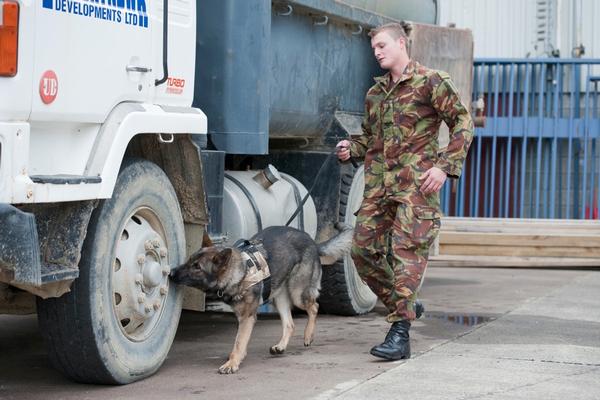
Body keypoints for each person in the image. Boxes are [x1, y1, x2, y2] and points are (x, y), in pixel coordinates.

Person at [336, 22, 473, 361]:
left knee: (405, 253)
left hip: (417, 187)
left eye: (382, 45)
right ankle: (406, 304)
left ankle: (400, 334)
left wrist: (444, 166)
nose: (377, 52)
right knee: (362, 251)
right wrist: (350, 148)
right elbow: (370, 138)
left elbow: (462, 122)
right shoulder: (375, 94)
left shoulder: (431, 82)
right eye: (374, 49)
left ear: (401, 42)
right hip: (380, 187)